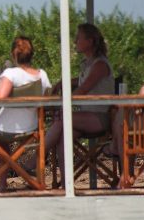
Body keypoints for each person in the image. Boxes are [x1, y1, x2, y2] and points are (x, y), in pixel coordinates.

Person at [0, 36, 51, 190]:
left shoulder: (11, 74)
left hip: (6, 128)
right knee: (0, 139)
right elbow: (48, 100)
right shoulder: (42, 75)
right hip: (32, 128)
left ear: (13, 55)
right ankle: (5, 179)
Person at [44, 23, 114, 181]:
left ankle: (37, 157)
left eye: (78, 38)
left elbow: (83, 88)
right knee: (63, 137)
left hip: (99, 117)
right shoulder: (89, 63)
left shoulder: (100, 65)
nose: (75, 41)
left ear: (89, 41)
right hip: (87, 117)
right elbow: (82, 82)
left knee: (62, 118)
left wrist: (61, 101)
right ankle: (66, 184)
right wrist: (64, 83)